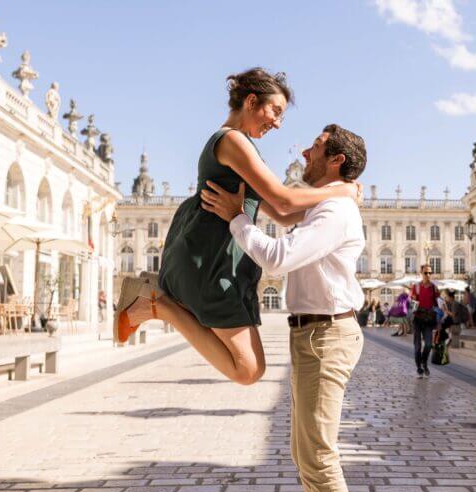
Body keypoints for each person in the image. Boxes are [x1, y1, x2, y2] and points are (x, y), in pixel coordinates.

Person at [113, 69, 360, 386]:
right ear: (252, 101)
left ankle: (156, 300)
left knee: (250, 369)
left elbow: (283, 217)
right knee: (248, 369)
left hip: (223, 260)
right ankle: (157, 303)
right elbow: (284, 201)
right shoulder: (231, 141)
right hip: (210, 259)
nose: (278, 123)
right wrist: (341, 191)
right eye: (276, 111)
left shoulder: (245, 148)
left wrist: (333, 218)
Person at [201, 124, 367, 492]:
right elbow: (279, 207)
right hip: (313, 335)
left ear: (336, 160)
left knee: (318, 457)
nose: (306, 153)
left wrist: (236, 219)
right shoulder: (325, 204)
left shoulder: (335, 211)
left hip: (327, 336)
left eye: (316, 147)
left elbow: (278, 257)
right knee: (305, 454)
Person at [411, 264, 439, 377]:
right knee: (417, 346)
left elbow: (438, 305)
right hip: (418, 319)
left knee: (428, 345)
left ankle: (424, 362)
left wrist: (440, 321)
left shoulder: (434, 287)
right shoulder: (416, 287)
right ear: (421, 273)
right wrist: (413, 311)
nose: (428, 275)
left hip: (429, 320)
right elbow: (412, 304)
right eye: (425, 273)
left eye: (430, 273)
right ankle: (419, 367)